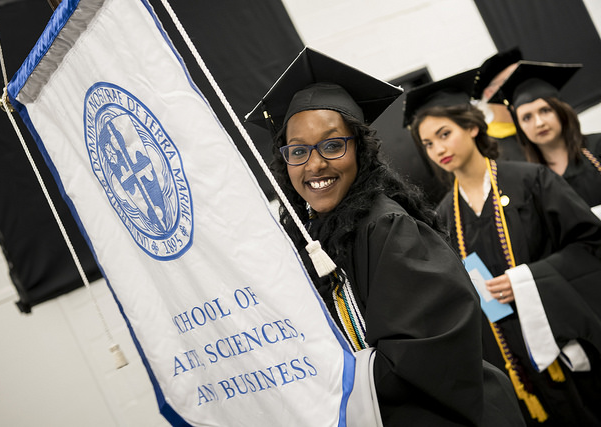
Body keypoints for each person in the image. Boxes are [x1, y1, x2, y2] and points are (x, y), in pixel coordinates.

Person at [246, 47, 524, 427]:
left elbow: (425, 357)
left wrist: (315, 378)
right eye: (298, 151)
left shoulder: (387, 227)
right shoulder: (313, 236)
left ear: (360, 150)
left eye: (332, 144)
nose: (314, 164)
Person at [406, 70, 601, 426]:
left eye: (444, 134)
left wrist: (529, 280)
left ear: (473, 128)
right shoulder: (443, 218)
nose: (438, 150)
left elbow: (591, 245)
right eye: (428, 144)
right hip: (515, 365)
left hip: (570, 346)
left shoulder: (532, 181)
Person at [489, 60, 601, 215]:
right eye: (527, 117)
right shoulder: (526, 178)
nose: (539, 123)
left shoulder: (597, 147)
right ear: (520, 127)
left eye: (545, 110)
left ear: (561, 111)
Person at [472, 48, 526, 161]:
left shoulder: (537, 125)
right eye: (511, 79)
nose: (521, 84)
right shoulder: (485, 144)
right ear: (489, 93)